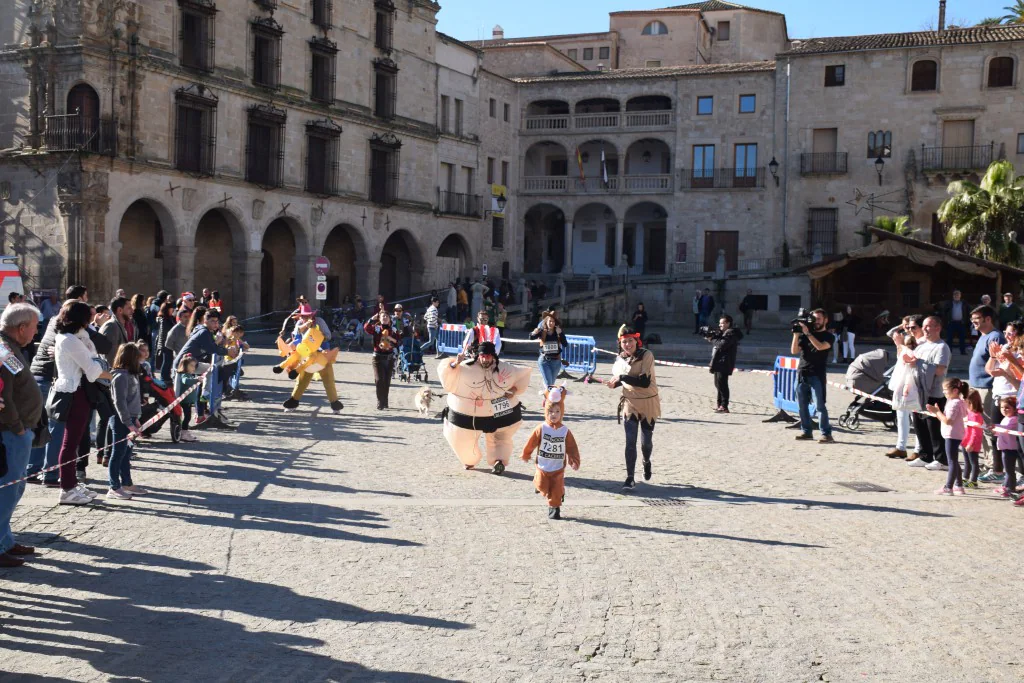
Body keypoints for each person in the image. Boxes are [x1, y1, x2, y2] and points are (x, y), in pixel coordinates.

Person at [438, 341, 531, 474]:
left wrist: (514, 390)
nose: (485, 358)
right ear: (478, 355)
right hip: (468, 414)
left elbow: (522, 374)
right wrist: (454, 363)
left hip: (498, 412)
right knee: (462, 438)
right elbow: (447, 376)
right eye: (483, 355)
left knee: (501, 437)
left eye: (488, 356)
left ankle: (499, 461)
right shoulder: (465, 367)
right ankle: (469, 459)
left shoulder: (505, 368)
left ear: (493, 356)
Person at [51, 302, 111, 505]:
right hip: (75, 392)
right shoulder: (69, 340)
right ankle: (67, 488)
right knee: (70, 442)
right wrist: (114, 375)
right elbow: (91, 367)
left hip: (82, 391)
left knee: (75, 441)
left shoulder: (77, 336)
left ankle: (71, 483)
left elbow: (94, 354)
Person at [0, 302, 42, 567]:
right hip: (10, 432)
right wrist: (17, 426)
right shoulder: (4, 351)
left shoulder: (11, 348)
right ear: (22, 327)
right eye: (35, 327)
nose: (37, 333)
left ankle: (5, 540)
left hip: (18, 430)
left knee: (15, 489)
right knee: (7, 490)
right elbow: (4, 395)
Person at [604, 325, 661, 489]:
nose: (627, 345)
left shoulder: (647, 355)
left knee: (646, 443)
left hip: (648, 401)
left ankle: (646, 460)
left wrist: (622, 377)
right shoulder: (621, 358)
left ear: (636, 341)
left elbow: (644, 382)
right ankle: (630, 477)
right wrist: (614, 383)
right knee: (630, 442)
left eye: (630, 341)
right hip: (630, 402)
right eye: (624, 342)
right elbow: (623, 381)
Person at [520, 385, 581, 520]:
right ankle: (538, 483)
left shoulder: (565, 431)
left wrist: (574, 461)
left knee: (557, 490)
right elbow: (531, 442)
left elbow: (572, 447)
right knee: (542, 485)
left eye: (557, 411)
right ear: (546, 413)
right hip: (543, 465)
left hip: (558, 467)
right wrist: (526, 454)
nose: (554, 414)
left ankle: (554, 508)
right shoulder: (541, 428)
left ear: (562, 412)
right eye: (551, 411)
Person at [279, 304, 343, 414]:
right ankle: (293, 402)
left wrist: (316, 334)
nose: (304, 318)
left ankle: (335, 404)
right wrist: (304, 328)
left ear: (311, 315)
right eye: (303, 316)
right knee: (302, 381)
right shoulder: (299, 323)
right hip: (306, 356)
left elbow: (328, 335)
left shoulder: (319, 321)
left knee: (328, 380)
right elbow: (296, 335)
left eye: (306, 316)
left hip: (321, 354)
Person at [906, 316, 952, 468]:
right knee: (920, 426)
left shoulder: (941, 347)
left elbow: (939, 369)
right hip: (918, 391)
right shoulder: (921, 346)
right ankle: (925, 455)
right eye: (924, 326)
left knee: (934, 429)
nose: (924, 329)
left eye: (928, 326)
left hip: (934, 393)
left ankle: (941, 459)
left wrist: (919, 364)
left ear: (937, 328)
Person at [107, 343, 147, 500]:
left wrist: (136, 418)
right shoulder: (120, 377)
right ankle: (114, 486)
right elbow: (120, 403)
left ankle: (127, 483)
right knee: (117, 454)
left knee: (126, 454)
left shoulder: (132, 375)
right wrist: (128, 422)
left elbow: (133, 399)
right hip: (121, 421)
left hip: (131, 419)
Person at [968, 305, 1005, 469]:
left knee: (989, 427)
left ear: (988, 319)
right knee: (980, 426)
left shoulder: (995, 337)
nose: (973, 322)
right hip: (977, 387)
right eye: (972, 319)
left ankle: (994, 464)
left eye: (976, 319)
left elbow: (999, 363)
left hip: (987, 388)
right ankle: (988, 460)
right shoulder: (984, 336)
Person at [791, 309, 834, 444]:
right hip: (802, 373)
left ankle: (826, 434)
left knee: (820, 406)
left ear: (825, 320)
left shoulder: (829, 336)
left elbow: (821, 347)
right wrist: (796, 334)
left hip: (817, 374)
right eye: (814, 319)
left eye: (819, 319)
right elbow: (794, 351)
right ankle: (806, 431)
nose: (816, 322)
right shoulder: (805, 335)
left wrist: (808, 333)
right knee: (802, 405)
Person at [885, 315, 925, 459]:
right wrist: (899, 345)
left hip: (913, 383)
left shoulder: (923, 341)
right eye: (908, 327)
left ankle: (918, 449)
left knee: (916, 417)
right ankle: (900, 446)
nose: (909, 330)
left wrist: (901, 345)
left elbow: (913, 357)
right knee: (901, 415)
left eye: (913, 327)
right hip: (901, 380)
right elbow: (900, 355)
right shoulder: (908, 339)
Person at [926, 377, 969, 496]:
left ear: (955, 390)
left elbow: (948, 421)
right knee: (954, 460)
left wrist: (936, 412)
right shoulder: (959, 402)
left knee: (951, 461)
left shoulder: (953, 403)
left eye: (945, 389)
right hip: (956, 433)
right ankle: (959, 486)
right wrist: (938, 412)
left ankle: (948, 487)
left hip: (952, 434)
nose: (943, 392)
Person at [364, 309, 401, 410]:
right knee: (379, 380)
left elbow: (398, 341)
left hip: (389, 358)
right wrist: (372, 319)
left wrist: (390, 338)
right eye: (382, 316)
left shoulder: (393, 329)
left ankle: (385, 400)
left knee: (387, 381)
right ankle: (380, 401)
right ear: (379, 319)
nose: (384, 318)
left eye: (386, 316)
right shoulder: (376, 328)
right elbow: (366, 328)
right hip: (377, 357)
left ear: (389, 319)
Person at [706, 314, 743, 414]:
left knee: (722, 384)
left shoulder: (731, 333)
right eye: (719, 323)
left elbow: (722, 344)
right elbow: (719, 342)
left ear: (728, 323)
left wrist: (712, 339)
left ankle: (724, 406)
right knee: (718, 384)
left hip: (725, 362)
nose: (720, 325)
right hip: (719, 362)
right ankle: (719, 405)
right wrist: (712, 335)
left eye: (722, 323)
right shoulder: (724, 333)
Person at [530, 311, 568, 389]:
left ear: (555, 323)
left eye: (553, 321)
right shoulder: (542, 331)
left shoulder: (558, 331)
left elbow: (565, 344)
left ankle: (546, 400)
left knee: (551, 384)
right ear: (546, 321)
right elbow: (531, 337)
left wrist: (560, 334)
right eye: (549, 321)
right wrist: (533, 333)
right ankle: (549, 400)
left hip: (556, 361)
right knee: (549, 384)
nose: (551, 323)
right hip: (544, 360)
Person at [994, 396, 1019, 500]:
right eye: (1002, 407)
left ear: (1014, 408)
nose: (1004, 410)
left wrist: (995, 425)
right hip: (1004, 447)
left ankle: (1011, 489)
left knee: (1010, 470)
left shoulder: (1014, 419)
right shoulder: (1005, 418)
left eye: (1007, 407)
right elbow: (1000, 431)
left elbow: (1007, 428)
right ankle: (1006, 485)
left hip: (1011, 448)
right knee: (1007, 468)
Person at [961, 388, 984, 488]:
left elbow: (975, 432)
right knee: (967, 462)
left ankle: (973, 481)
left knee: (974, 463)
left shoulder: (975, 415)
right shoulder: (968, 413)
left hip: (972, 443)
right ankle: (965, 478)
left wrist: (971, 443)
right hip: (965, 441)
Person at [100, 296, 132, 365]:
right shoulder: (111, 326)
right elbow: (110, 357)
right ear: (120, 310)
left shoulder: (119, 325)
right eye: (129, 308)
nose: (132, 311)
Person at [943, 289, 969, 355]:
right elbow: (944, 312)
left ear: (960, 296)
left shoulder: (964, 303)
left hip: (961, 323)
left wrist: (966, 320)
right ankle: (949, 352)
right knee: (949, 338)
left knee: (962, 338)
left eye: (958, 294)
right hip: (951, 322)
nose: (956, 296)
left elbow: (968, 312)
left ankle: (963, 352)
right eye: (955, 294)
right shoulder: (949, 303)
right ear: (953, 296)